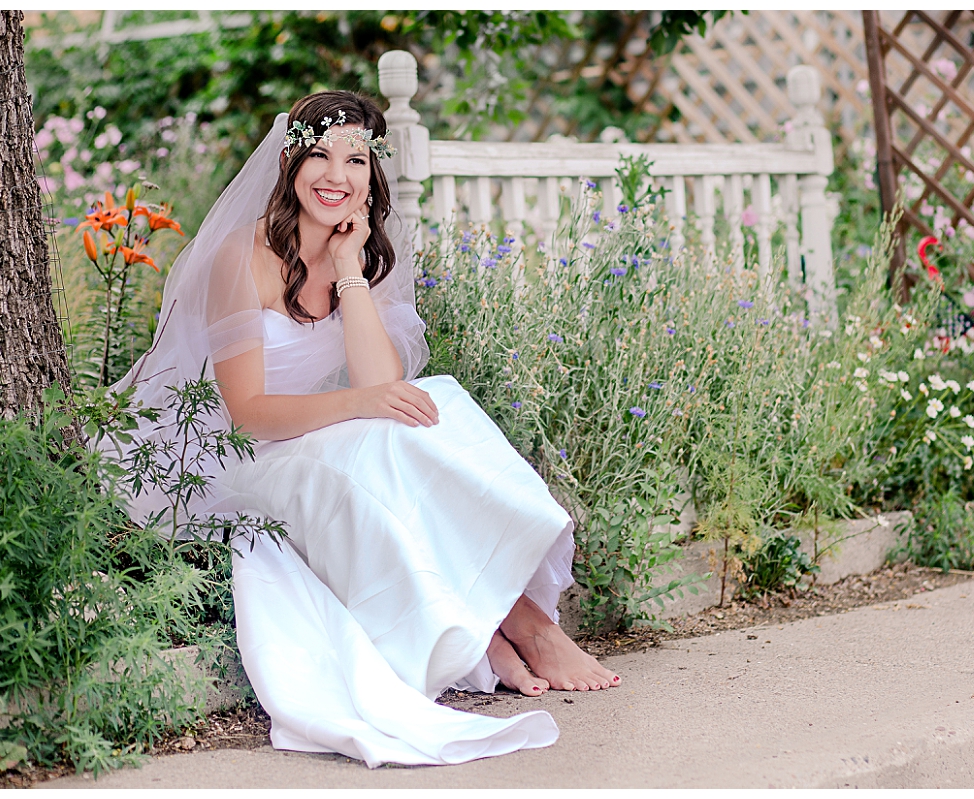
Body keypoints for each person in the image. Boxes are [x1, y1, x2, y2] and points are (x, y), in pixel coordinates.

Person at [108, 90, 619, 767]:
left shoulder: (363, 251)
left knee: (431, 403)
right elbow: (249, 413)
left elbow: (383, 382)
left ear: (371, 174)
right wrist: (360, 404)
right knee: (370, 435)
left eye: (354, 159)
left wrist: (349, 270)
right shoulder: (244, 255)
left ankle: (490, 621)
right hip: (235, 455)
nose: (334, 175)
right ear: (289, 164)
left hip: (321, 432)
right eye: (318, 155)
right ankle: (522, 620)